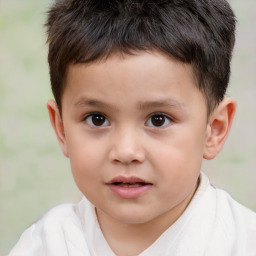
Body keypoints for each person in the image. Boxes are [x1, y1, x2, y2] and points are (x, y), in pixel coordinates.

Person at [8, 0, 256, 255]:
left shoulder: (243, 243)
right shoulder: (43, 246)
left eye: (158, 119)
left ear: (214, 129)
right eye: (97, 119)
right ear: (61, 129)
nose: (126, 151)